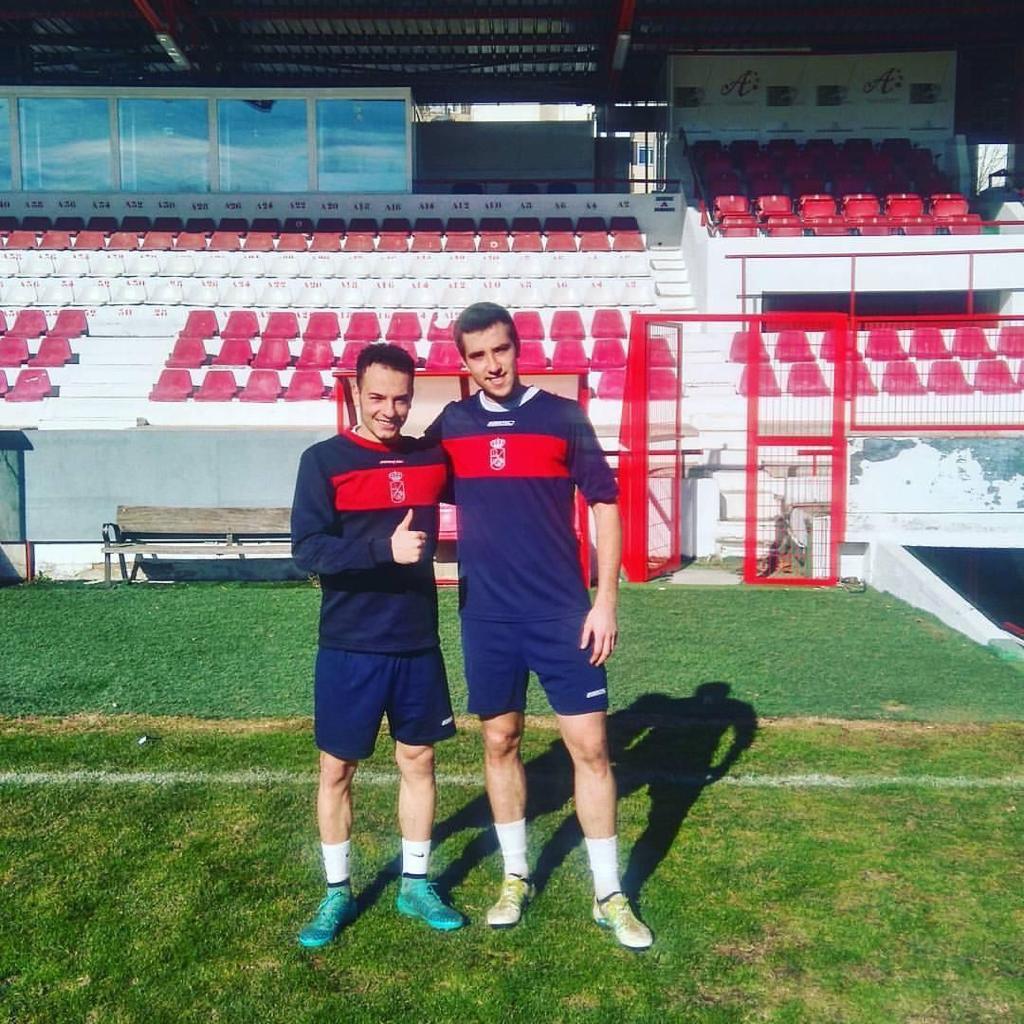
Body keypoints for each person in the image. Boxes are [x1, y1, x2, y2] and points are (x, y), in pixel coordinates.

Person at [424, 302, 653, 950]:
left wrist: (605, 601)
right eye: (477, 355)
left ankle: (609, 894)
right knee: (500, 741)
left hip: (561, 614)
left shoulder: (561, 416)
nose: (492, 365)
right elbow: (409, 477)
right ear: (463, 363)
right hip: (488, 615)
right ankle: (516, 876)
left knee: (591, 748)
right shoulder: (453, 425)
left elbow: (605, 503)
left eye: (500, 349)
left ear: (517, 348)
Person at [291, 342, 463, 948]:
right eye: (378, 397)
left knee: (419, 760)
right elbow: (307, 550)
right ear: (355, 394)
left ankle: (415, 883)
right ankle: (337, 891)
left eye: (402, 398)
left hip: (415, 641)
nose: (390, 410)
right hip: (349, 644)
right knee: (337, 768)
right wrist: (381, 550)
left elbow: (490, 480)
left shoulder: (430, 459)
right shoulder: (323, 461)